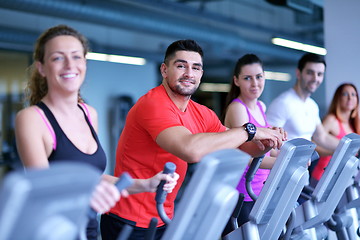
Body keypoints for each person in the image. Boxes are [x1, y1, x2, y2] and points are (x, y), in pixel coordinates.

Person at [100, 39, 286, 240]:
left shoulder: (201, 113)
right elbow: (190, 149)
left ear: (201, 74)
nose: (189, 73)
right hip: (128, 218)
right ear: (164, 70)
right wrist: (250, 130)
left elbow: (238, 148)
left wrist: (261, 145)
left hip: (163, 215)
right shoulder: (153, 104)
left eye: (195, 68)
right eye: (181, 66)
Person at [14, 24, 179, 240]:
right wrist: (87, 196)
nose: (69, 64)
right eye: (57, 58)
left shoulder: (88, 113)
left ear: (84, 63)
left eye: (76, 57)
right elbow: (43, 194)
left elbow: (93, 179)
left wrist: (146, 184)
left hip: (90, 232)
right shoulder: (32, 119)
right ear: (42, 68)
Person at [221, 54, 280, 234]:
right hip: (242, 194)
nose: (255, 83)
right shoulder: (237, 108)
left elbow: (269, 150)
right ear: (236, 81)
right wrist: (284, 163)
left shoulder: (261, 106)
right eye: (247, 78)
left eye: (259, 77)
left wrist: (290, 154)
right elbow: (248, 156)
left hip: (258, 190)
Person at [266, 53, 340, 159]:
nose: (315, 78)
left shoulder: (312, 105)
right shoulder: (283, 103)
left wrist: (350, 147)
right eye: (310, 73)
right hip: (282, 168)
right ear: (298, 73)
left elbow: (321, 137)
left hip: (302, 168)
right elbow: (268, 142)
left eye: (320, 74)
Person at [310, 83, 360, 185]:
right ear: (338, 98)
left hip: (343, 179)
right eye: (345, 94)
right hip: (323, 176)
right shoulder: (331, 120)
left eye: (353, 94)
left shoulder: (354, 124)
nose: (350, 98)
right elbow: (313, 144)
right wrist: (334, 152)